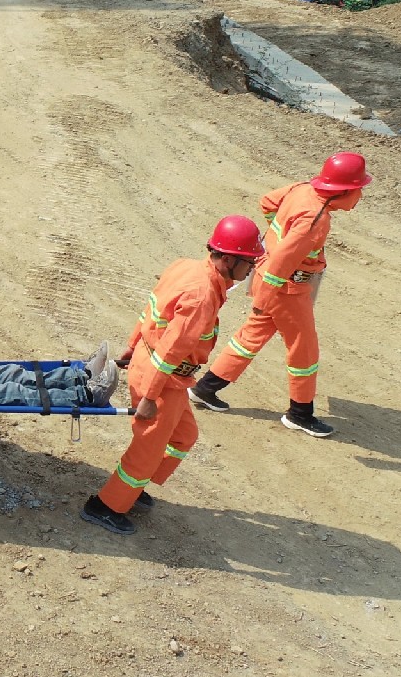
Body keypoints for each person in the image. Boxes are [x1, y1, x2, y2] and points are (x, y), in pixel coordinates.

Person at [82, 216, 266, 535]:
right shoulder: (201, 296)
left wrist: (132, 346)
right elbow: (171, 351)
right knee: (148, 447)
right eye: (249, 262)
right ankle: (106, 506)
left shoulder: (186, 267)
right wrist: (150, 397)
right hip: (161, 377)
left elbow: (151, 308)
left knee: (184, 436)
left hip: (159, 370)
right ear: (228, 259)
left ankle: (134, 485)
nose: (251, 269)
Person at [189, 152, 373, 437]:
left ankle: (205, 389)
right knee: (304, 350)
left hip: (268, 278)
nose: (360, 196)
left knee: (249, 338)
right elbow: (282, 263)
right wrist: (263, 298)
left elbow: (267, 202)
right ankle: (300, 414)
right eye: (359, 189)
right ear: (344, 191)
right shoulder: (315, 220)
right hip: (285, 290)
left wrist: (277, 239)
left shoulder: (302, 189)